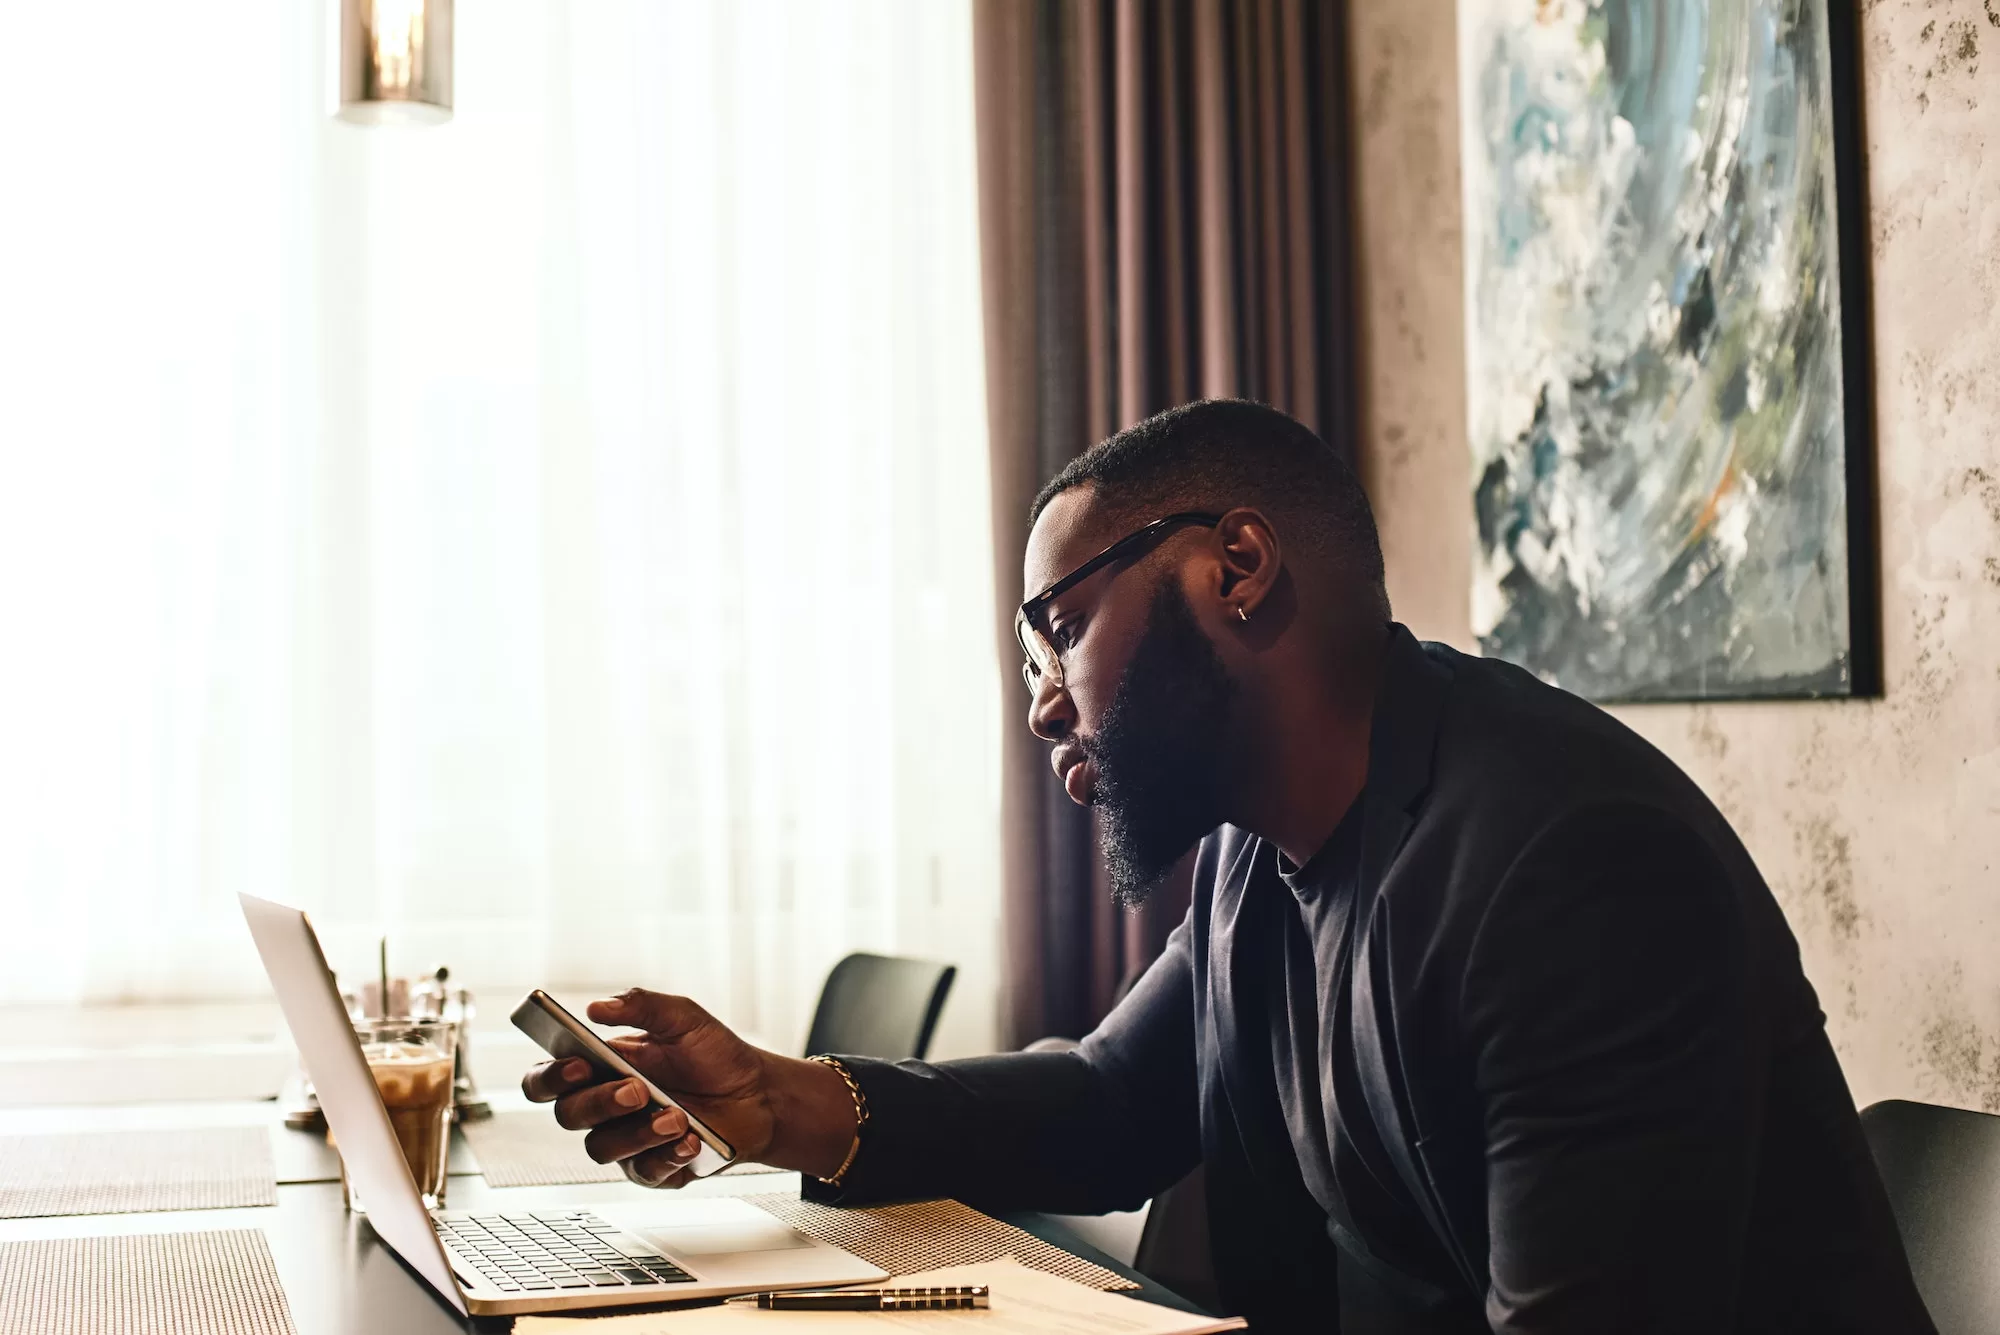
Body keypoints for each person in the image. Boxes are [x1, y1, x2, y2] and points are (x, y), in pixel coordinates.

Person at [524, 400, 1933, 1333]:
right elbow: (1113, 1101)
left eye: (1058, 630)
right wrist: (773, 1100)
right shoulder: (1267, 853)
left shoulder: (1569, 869)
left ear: (1237, 567)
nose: (1041, 704)